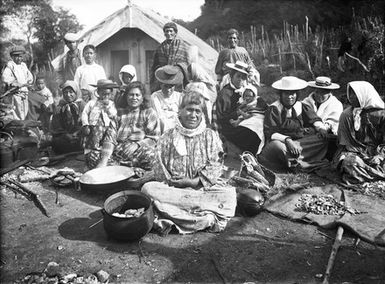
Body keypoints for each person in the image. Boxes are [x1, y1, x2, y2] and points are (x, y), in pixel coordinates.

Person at [141, 91, 237, 234]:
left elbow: (216, 165)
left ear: (202, 114)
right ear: (180, 111)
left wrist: (192, 182)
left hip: (201, 189)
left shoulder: (210, 136)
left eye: (197, 111)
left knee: (229, 195)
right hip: (173, 190)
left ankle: (173, 214)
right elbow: (159, 166)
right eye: (189, 110)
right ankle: (201, 216)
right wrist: (173, 182)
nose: (193, 115)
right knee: (148, 189)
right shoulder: (167, 136)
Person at [258, 76, 329, 171]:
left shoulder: (302, 106)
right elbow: (270, 132)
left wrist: (321, 128)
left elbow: (314, 119)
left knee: (322, 138)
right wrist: (287, 140)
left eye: (293, 94)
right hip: (282, 143)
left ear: (297, 94)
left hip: (300, 142)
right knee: (278, 147)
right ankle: (297, 161)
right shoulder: (274, 109)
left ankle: (295, 158)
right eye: (286, 94)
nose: (290, 97)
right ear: (281, 94)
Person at [92, 81, 161, 170]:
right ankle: (124, 167)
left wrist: (137, 145)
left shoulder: (149, 113)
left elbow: (154, 138)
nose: (134, 98)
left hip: (139, 151)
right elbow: (110, 138)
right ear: (126, 97)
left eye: (137, 95)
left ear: (142, 98)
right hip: (119, 151)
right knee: (93, 156)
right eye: (131, 95)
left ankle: (120, 168)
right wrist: (104, 160)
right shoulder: (119, 114)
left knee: (152, 157)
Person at [333, 81, 385, 184]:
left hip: (378, 154)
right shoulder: (346, 115)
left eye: (355, 94)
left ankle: (366, 173)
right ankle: (373, 174)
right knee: (349, 163)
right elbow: (345, 144)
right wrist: (355, 155)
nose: (351, 97)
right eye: (350, 94)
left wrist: (380, 156)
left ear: (364, 95)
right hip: (355, 153)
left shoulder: (382, 115)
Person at [214, 61, 263, 154]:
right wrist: (237, 113)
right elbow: (221, 118)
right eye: (238, 76)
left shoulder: (245, 91)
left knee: (260, 124)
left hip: (243, 120)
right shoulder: (224, 93)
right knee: (251, 132)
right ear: (231, 76)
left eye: (243, 77)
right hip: (230, 128)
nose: (241, 80)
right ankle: (249, 154)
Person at [81, 79, 118, 168]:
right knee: (93, 140)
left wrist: (107, 108)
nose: (105, 96)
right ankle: (90, 155)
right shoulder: (92, 103)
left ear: (111, 94)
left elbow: (114, 115)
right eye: (103, 94)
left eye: (108, 94)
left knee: (106, 139)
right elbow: (85, 113)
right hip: (94, 126)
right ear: (98, 92)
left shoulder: (111, 104)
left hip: (106, 126)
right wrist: (85, 124)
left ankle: (104, 154)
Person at [150, 22, 190, 93]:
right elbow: (155, 64)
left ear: (175, 33)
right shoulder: (160, 47)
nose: (169, 33)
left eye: (171, 31)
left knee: (178, 96)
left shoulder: (181, 45)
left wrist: (175, 68)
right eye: (167, 31)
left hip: (177, 76)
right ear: (164, 33)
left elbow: (185, 62)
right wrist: (162, 69)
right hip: (163, 77)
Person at [51, 80, 86, 154]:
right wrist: (66, 135)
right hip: (65, 137)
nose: (68, 95)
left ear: (76, 92)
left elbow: (86, 123)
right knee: (56, 142)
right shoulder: (60, 107)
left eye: (71, 92)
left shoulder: (83, 106)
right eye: (65, 92)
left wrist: (77, 133)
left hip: (79, 135)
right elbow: (57, 126)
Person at [1, 46, 34, 120]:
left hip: (24, 92)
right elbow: (5, 78)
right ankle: (18, 128)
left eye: (21, 56)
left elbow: (30, 77)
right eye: (17, 57)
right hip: (15, 93)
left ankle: (22, 126)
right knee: (17, 113)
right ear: (12, 57)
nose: (19, 58)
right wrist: (14, 82)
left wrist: (28, 81)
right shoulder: (10, 66)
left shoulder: (23, 66)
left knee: (25, 112)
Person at [151, 65, 183, 133]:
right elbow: (159, 116)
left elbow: (181, 113)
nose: (168, 90)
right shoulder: (155, 96)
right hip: (163, 127)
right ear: (161, 85)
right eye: (166, 86)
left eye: (171, 87)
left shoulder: (179, 96)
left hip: (178, 126)